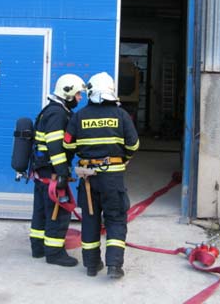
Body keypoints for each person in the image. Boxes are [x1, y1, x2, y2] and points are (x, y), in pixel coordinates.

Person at [63, 71, 139, 279]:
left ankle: (91, 265)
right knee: (115, 219)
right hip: (112, 178)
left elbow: (67, 144)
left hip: (88, 178)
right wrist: (123, 158)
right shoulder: (121, 115)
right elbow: (133, 144)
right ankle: (114, 266)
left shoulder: (79, 116)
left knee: (90, 220)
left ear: (91, 92)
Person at [29, 73, 86, 266]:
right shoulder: (58, 114)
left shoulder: (51, 110)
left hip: (42, 172)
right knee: (58, 212)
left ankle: (38, 248)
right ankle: (54, 254)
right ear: (67, 92)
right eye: (78, 94)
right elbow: (55, 146)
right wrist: (62, 172)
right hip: (52, 172)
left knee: (41, 212)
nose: (80, 98)